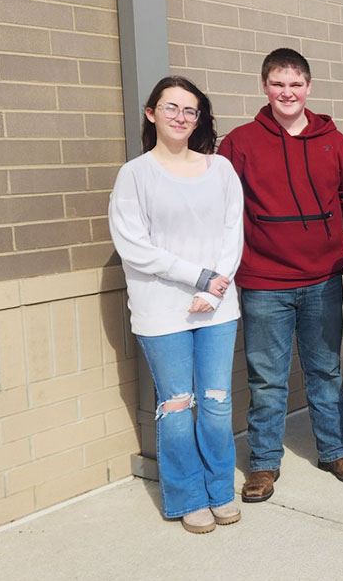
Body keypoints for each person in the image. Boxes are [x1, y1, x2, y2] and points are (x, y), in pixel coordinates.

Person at [217, 48, 343, 503]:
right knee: (267, 377)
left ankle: (333, 450)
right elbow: (228, 206)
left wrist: (320, 232)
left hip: (322, 277)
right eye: (278, 84)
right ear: (265, 87)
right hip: (264, 281)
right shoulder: (240, 142)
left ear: (309, 88)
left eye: (296, 84)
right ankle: (264, 463)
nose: (287, 92)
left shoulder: (332, 141)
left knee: (324, 370)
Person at [109, 76, 244, 534]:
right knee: (177, 404)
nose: (181, 118)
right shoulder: (135, 174)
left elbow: (233, 234)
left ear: (199, 119)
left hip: (218, 308)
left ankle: (220, 489)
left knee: (217, 402)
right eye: (171, 108)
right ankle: (187, 496)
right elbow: (135, 247)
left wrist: (213, 289)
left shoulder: (220, 170)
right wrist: (198, 277)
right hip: (161, 310)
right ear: (152, 113)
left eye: (190, 111)